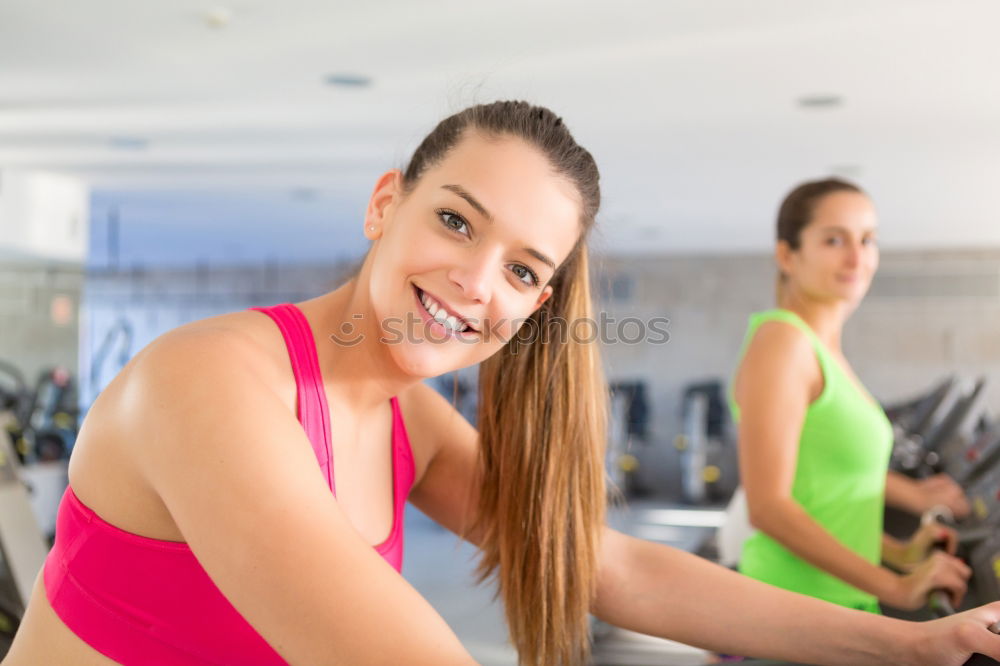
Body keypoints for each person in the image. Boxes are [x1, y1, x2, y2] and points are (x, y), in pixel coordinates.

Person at [5, 104, 999, 666]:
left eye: (524, 270)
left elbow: (612, 568)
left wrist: (912, 644)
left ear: (536, 306)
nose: (476, 284)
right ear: (385, 203)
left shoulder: (411, 423)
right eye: (454, 222)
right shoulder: (210, 383)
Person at [730, 178, 973, 616]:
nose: (857, 257)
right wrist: (896, 588)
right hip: (793, 611)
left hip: (839, 607)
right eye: (833, 239)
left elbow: (824, 494)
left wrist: (899, 554)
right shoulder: (783, 341)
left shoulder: (825, 351)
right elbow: (769, 507)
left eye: (868, 239)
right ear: (788, 255)